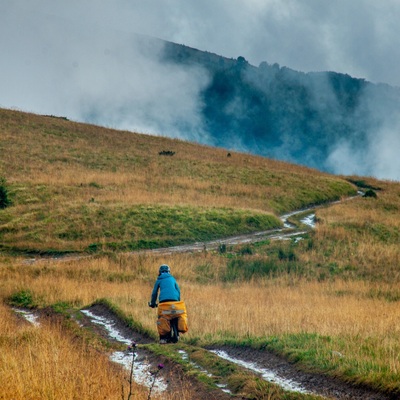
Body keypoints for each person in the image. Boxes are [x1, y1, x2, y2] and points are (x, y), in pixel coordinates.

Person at [149, 264, 188, 344]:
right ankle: (177, 332)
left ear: (159, 272)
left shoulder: (159, 280)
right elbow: (178, 290)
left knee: (162, 318)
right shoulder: (173, 279)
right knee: (177, 315)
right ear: (169, 271)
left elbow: (154, 293)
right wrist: (177, 300)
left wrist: (153, 303)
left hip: (164, 304)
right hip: (176, 303)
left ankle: (163, 338)